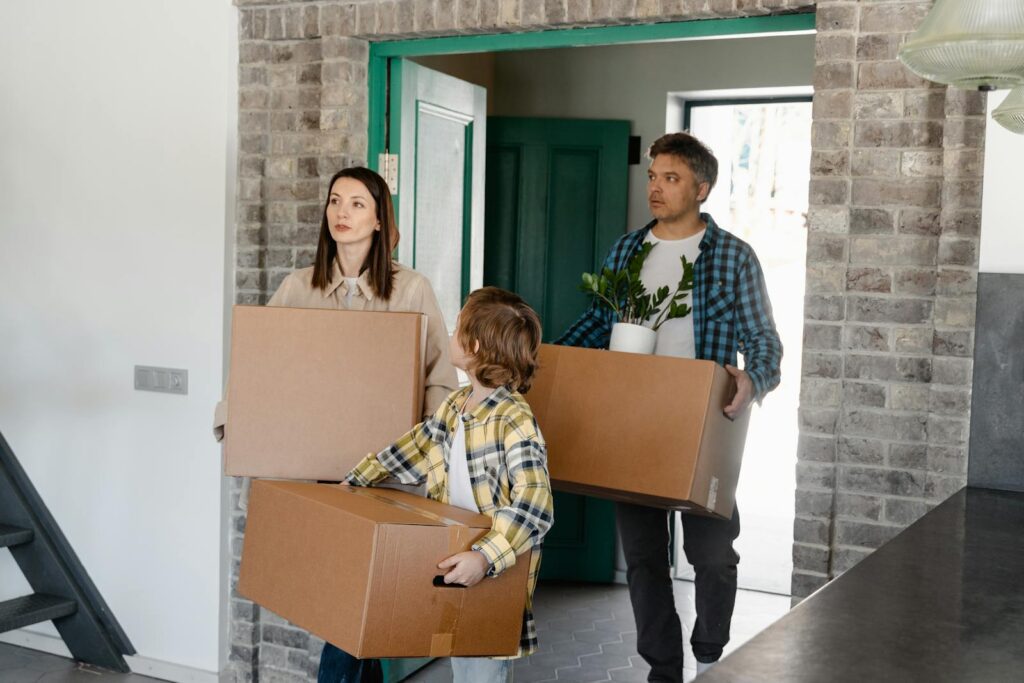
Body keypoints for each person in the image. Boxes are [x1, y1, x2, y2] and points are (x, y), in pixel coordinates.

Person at [555, 132, 783, 681]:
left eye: (671, 178)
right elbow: (596, 324)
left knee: (713, 557)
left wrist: (754, 380)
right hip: (632, 423)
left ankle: (709, 653)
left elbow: (764, 341)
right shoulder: (626, 250)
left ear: (701, 188)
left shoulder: (733, 256)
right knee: (644, 560)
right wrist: (551, 361)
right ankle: (663, 668)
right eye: (653, 176)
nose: (655, 187)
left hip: (703, 424)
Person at [319, 286, 554, 683]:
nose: (449, 334)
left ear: (474, 345)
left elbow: (536, 503)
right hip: (457, 550)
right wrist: (358, 479)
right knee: (459, 660)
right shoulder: (456, 404)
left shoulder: (515, 419)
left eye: (456, 326)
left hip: (494, 567)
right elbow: (415, 446)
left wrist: (485, 557)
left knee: (480, 670)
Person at [213, 166, 458, 442]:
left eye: (357, 204)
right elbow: (254, 359)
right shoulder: (296, 287)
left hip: (386, 456)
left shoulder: (413, 289)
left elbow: (440, 379)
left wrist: (427, 445)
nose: (342, 212)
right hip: (305, 447)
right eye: (335, 201)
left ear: (379, 220)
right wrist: (231, 419)